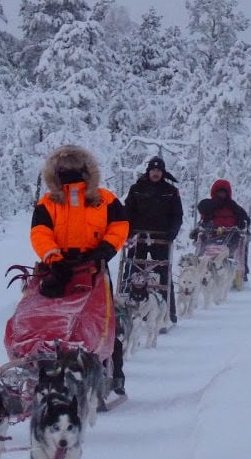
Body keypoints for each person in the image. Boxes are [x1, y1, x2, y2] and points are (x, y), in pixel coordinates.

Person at [30, 144, 130, 394]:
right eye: (64, 169)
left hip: (93, 268)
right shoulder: (48, 203)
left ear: (86, 170)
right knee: (48, 319)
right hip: (57, 269)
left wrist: (105, 249)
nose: (69, 173)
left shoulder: (104, 199)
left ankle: (114, 368)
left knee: (100, 320)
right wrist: (54, 259)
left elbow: (120, 225)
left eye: (75, 168)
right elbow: (40, 233)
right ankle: (47, 363)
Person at [124, 155, 183, 324]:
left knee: (163, 274)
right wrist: (127, 232)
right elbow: (127, 212)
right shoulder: (136, 188)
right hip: (138, 237)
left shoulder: (171, 191)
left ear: (163, 173)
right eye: (153, 170)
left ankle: (168, 315)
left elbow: (177, 215)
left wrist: (172, 233)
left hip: (162, 238)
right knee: (132, 272)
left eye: (159, 171)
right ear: (148, 171)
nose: (155, 173)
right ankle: (129, 311)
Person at [194, 179, 251, 280]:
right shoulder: (209, 204)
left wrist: (242, 224)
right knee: (203, 245)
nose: (221, 195)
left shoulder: (233, 206)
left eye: (223, 192)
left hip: (231, 235)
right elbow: (201, 208)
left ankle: (240, 271)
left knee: (240, 243)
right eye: (219, 192)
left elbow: (245, 219)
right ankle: (199, 267)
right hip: (211, 234)